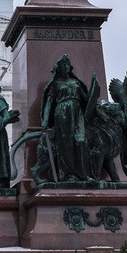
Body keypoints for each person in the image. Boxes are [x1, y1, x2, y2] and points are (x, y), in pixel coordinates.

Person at [40, 54, 91, 182]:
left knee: (81, 141)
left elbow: (86, 99)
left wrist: (94, 92)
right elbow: (49, 103)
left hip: (77, 111)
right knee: (65, 143)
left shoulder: (76, 82)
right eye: (64, 65)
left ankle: (84, 173)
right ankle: (69, 174)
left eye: (68, 65)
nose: (67, 67)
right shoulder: (56, 84)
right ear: (60, 68)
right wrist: (45, 119)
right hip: (62, 112)